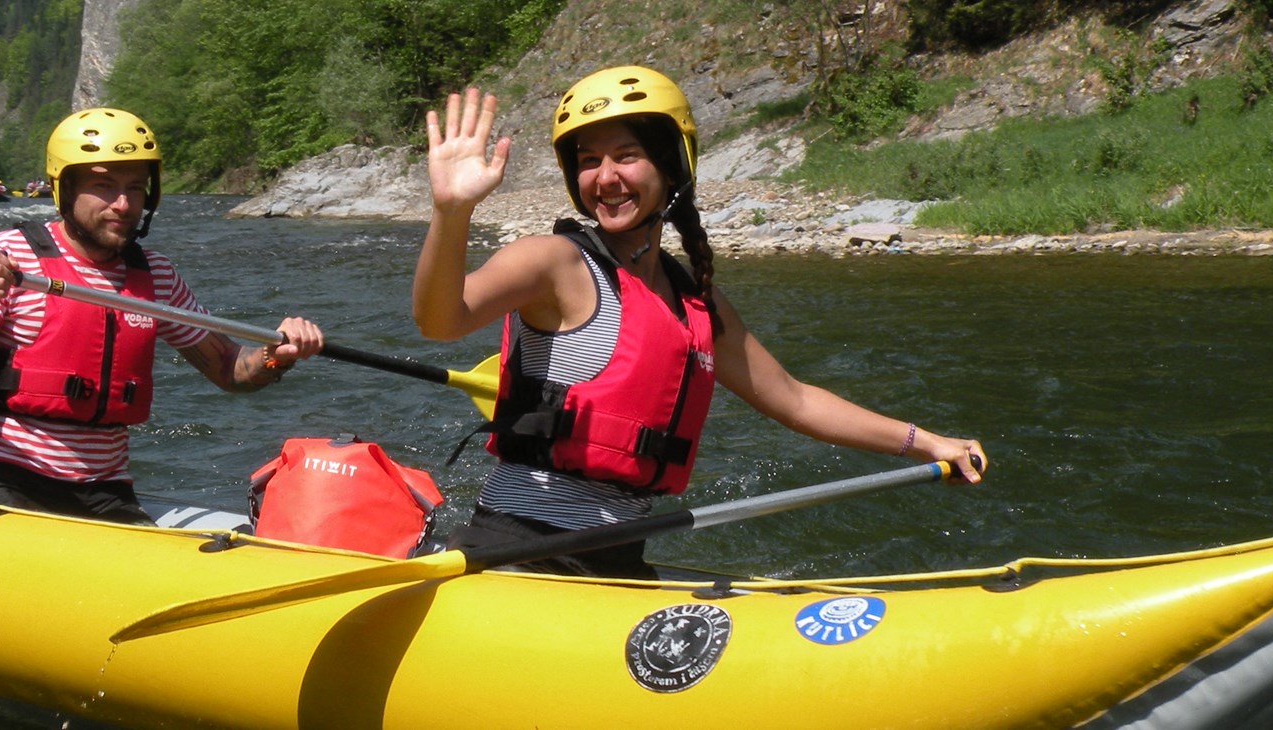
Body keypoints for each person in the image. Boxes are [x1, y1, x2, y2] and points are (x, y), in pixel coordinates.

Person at [413, 67, 988, 579]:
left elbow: (794, 399)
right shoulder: (553, 261)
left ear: (670, 165)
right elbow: (441, 321)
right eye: (589, 161)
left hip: (614, 555)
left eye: (626, 155)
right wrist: (452, 210)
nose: (605, 177)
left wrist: (926, 443)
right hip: (516, 549)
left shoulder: (695, 301)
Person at [0, 107, 327, 525]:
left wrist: (279, 353)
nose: (123, 204)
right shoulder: (7, 257)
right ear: (66, 189)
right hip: (3, 476)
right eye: (103, 185)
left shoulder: (156, 276)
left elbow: (229, 369)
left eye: (134, 187)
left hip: (105, 491)